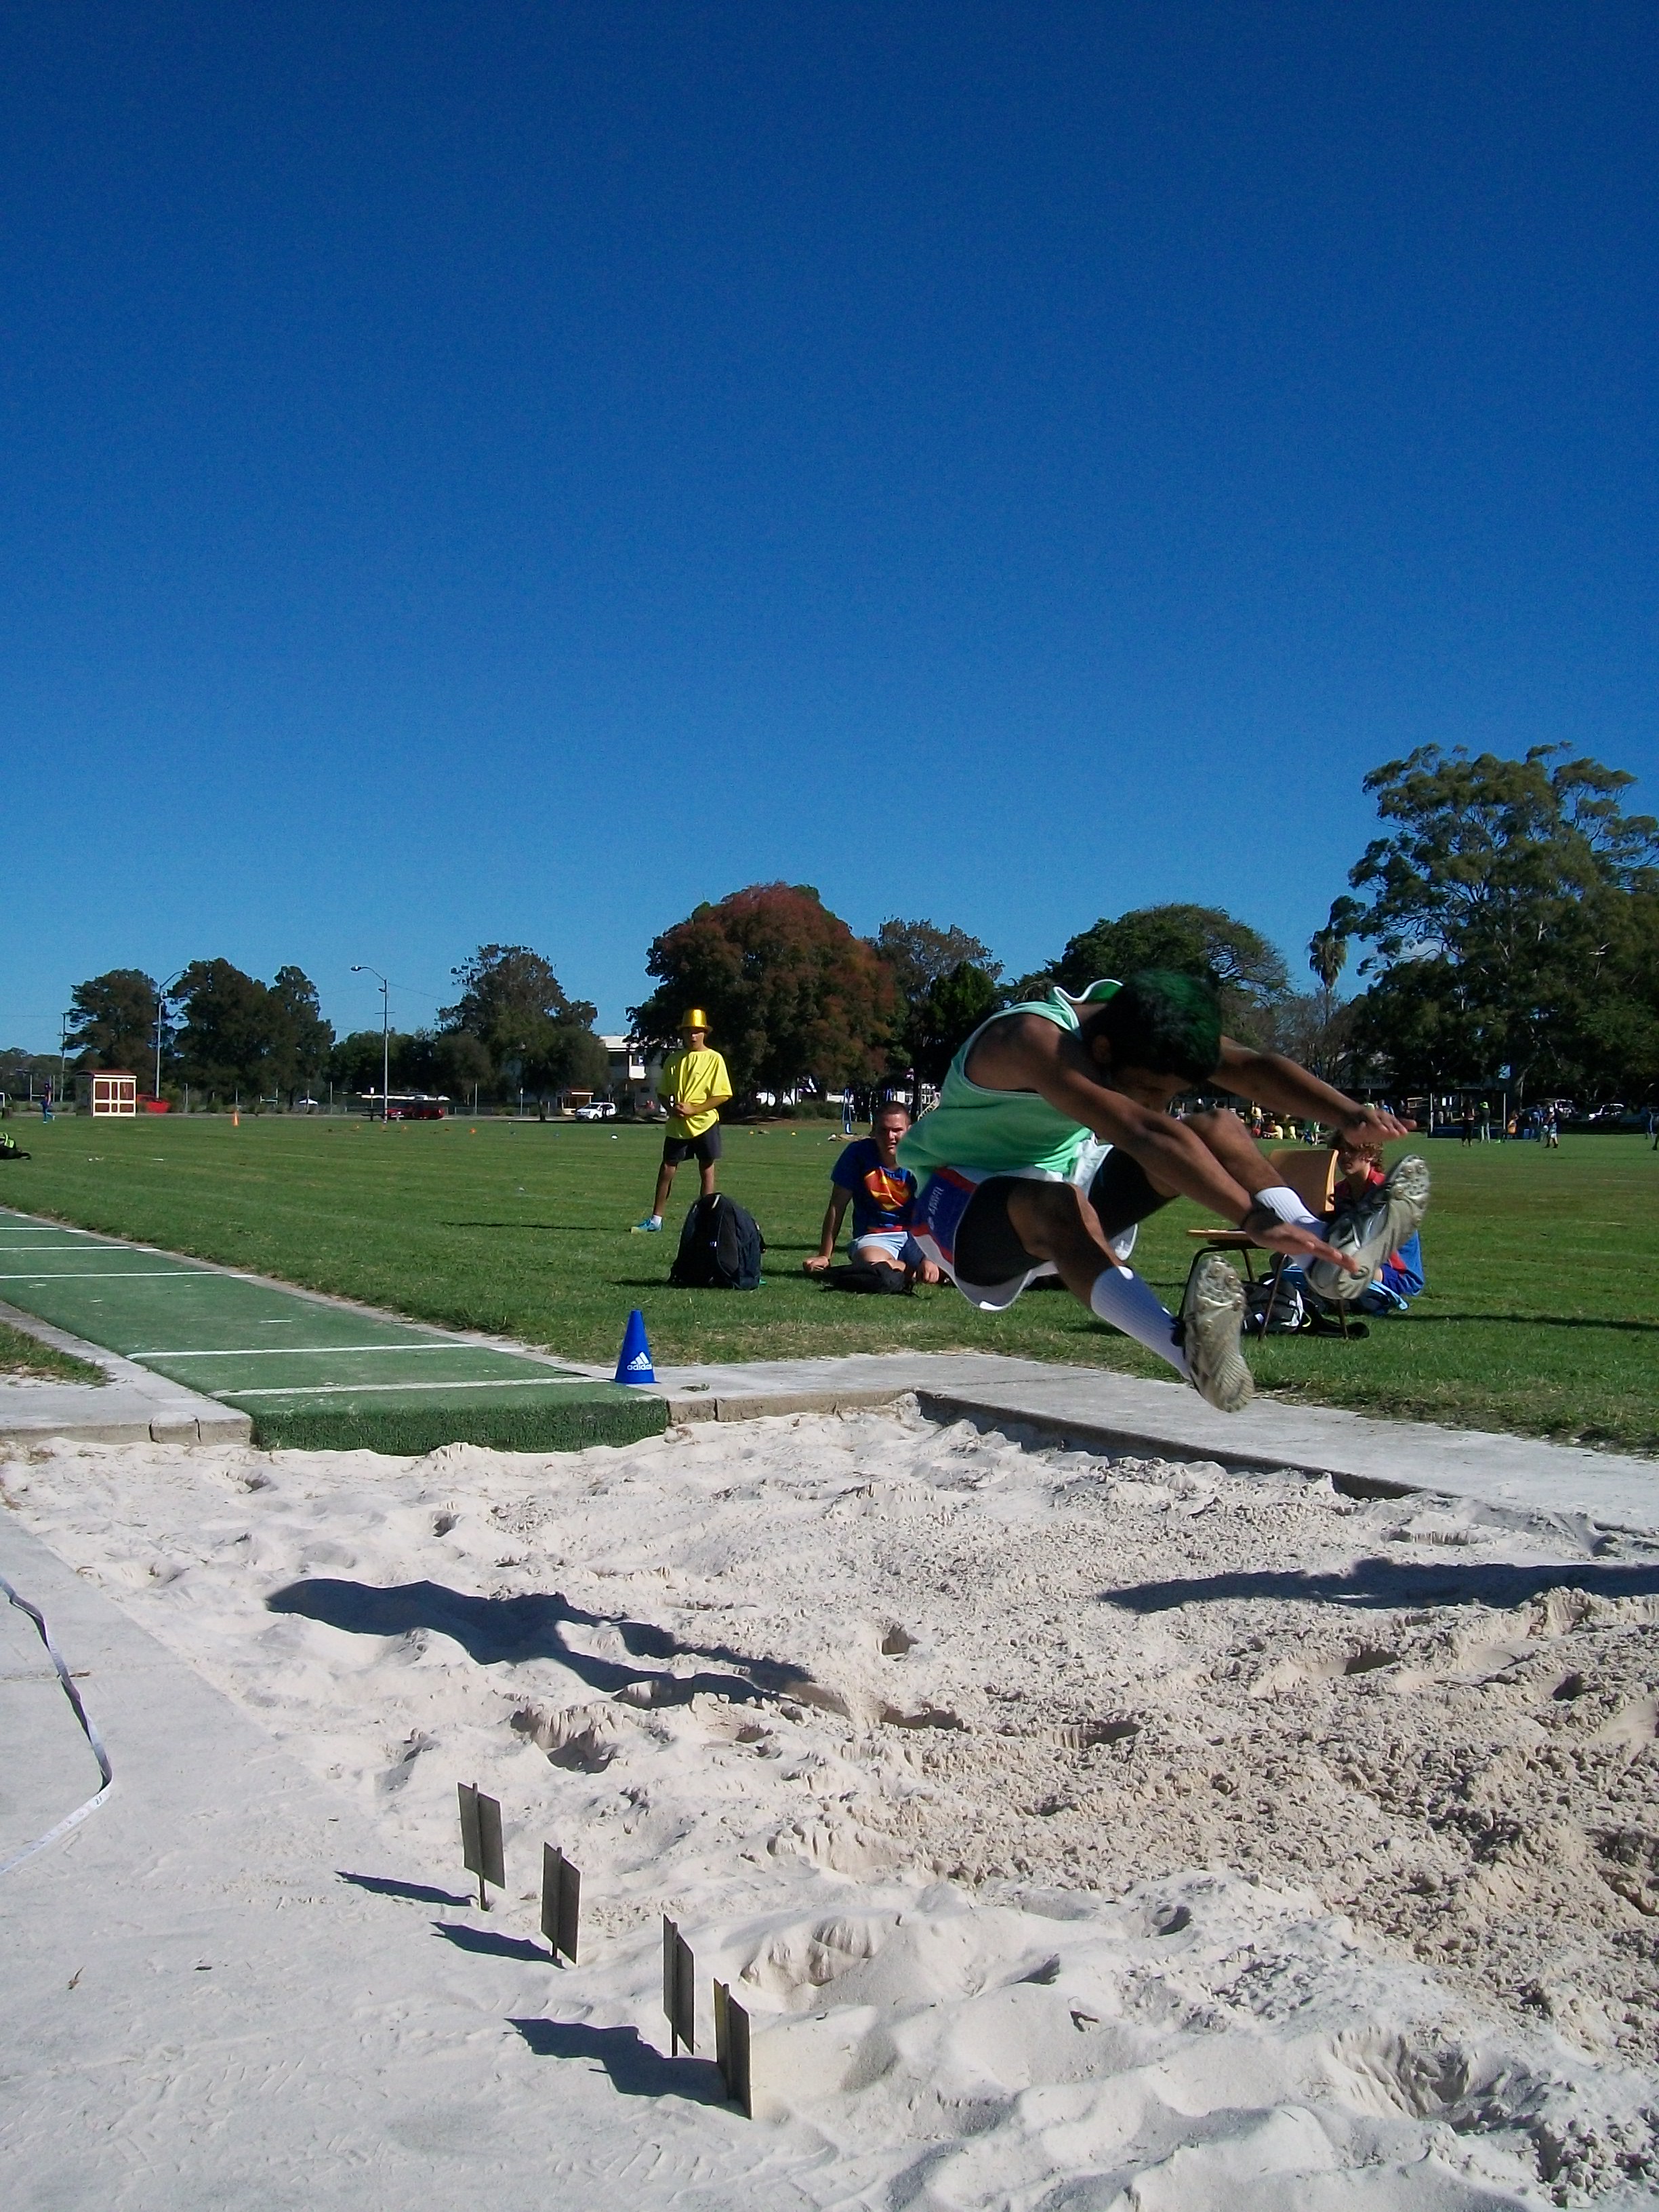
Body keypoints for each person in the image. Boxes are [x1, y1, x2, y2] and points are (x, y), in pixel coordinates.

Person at [899, 970, 1431, 1413]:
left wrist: (1349, 1114)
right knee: (1060, 1205)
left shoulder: (1141, 1025)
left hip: (1066, 1177)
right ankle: (1186, 1351)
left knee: (1218, 1126)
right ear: (1102, 1050)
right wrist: (1249, 1215)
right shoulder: (1029, 1041)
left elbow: (1248, 1066)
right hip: (959, 1204)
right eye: (1152, 1089)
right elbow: (1144, 1132)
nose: (1158, 1102)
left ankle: (1323, 1255)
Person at [804, 1101, 941, 1284]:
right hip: (875, 1238)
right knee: (869, 1261)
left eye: (897, 1130)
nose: (890, 1137)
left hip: (918, 1236)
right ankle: (916, 1272)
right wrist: (824, 1255)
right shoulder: (858, 1155)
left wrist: (931, 1256)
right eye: (883, 1130)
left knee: (959, 1261)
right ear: (873, 1130)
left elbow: (939, 1209)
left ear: (909, 1130)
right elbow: (838, 1205)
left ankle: (907, 1270)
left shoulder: (923, 1157)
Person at [632, 1010, 733, 1233]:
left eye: (697, 1031)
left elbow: (723, 1095)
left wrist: (695, 1108)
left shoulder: (714, 1059)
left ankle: (706, 1222)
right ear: (683, 1034)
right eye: (689, 1032)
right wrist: (671, 1109)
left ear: (705, 1033)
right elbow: (662, 1092)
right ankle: (656, 1220)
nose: (693, 1036)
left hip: (705, 1123)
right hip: (678, 1124)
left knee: (706, 1167)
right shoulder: (674, 1059)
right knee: (667, 1168)